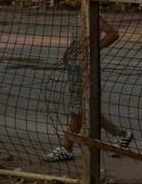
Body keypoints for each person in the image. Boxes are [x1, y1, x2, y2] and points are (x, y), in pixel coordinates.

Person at [42, 10, 133, 162]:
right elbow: (79, 39)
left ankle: (66, 147)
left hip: (84, 68)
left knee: (79, 109)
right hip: (75, 65)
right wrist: (69, 51)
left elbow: (113, 34)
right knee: (85, 109)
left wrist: (92, 50)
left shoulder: (92, 15)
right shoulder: (80, 13)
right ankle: (120, 135)